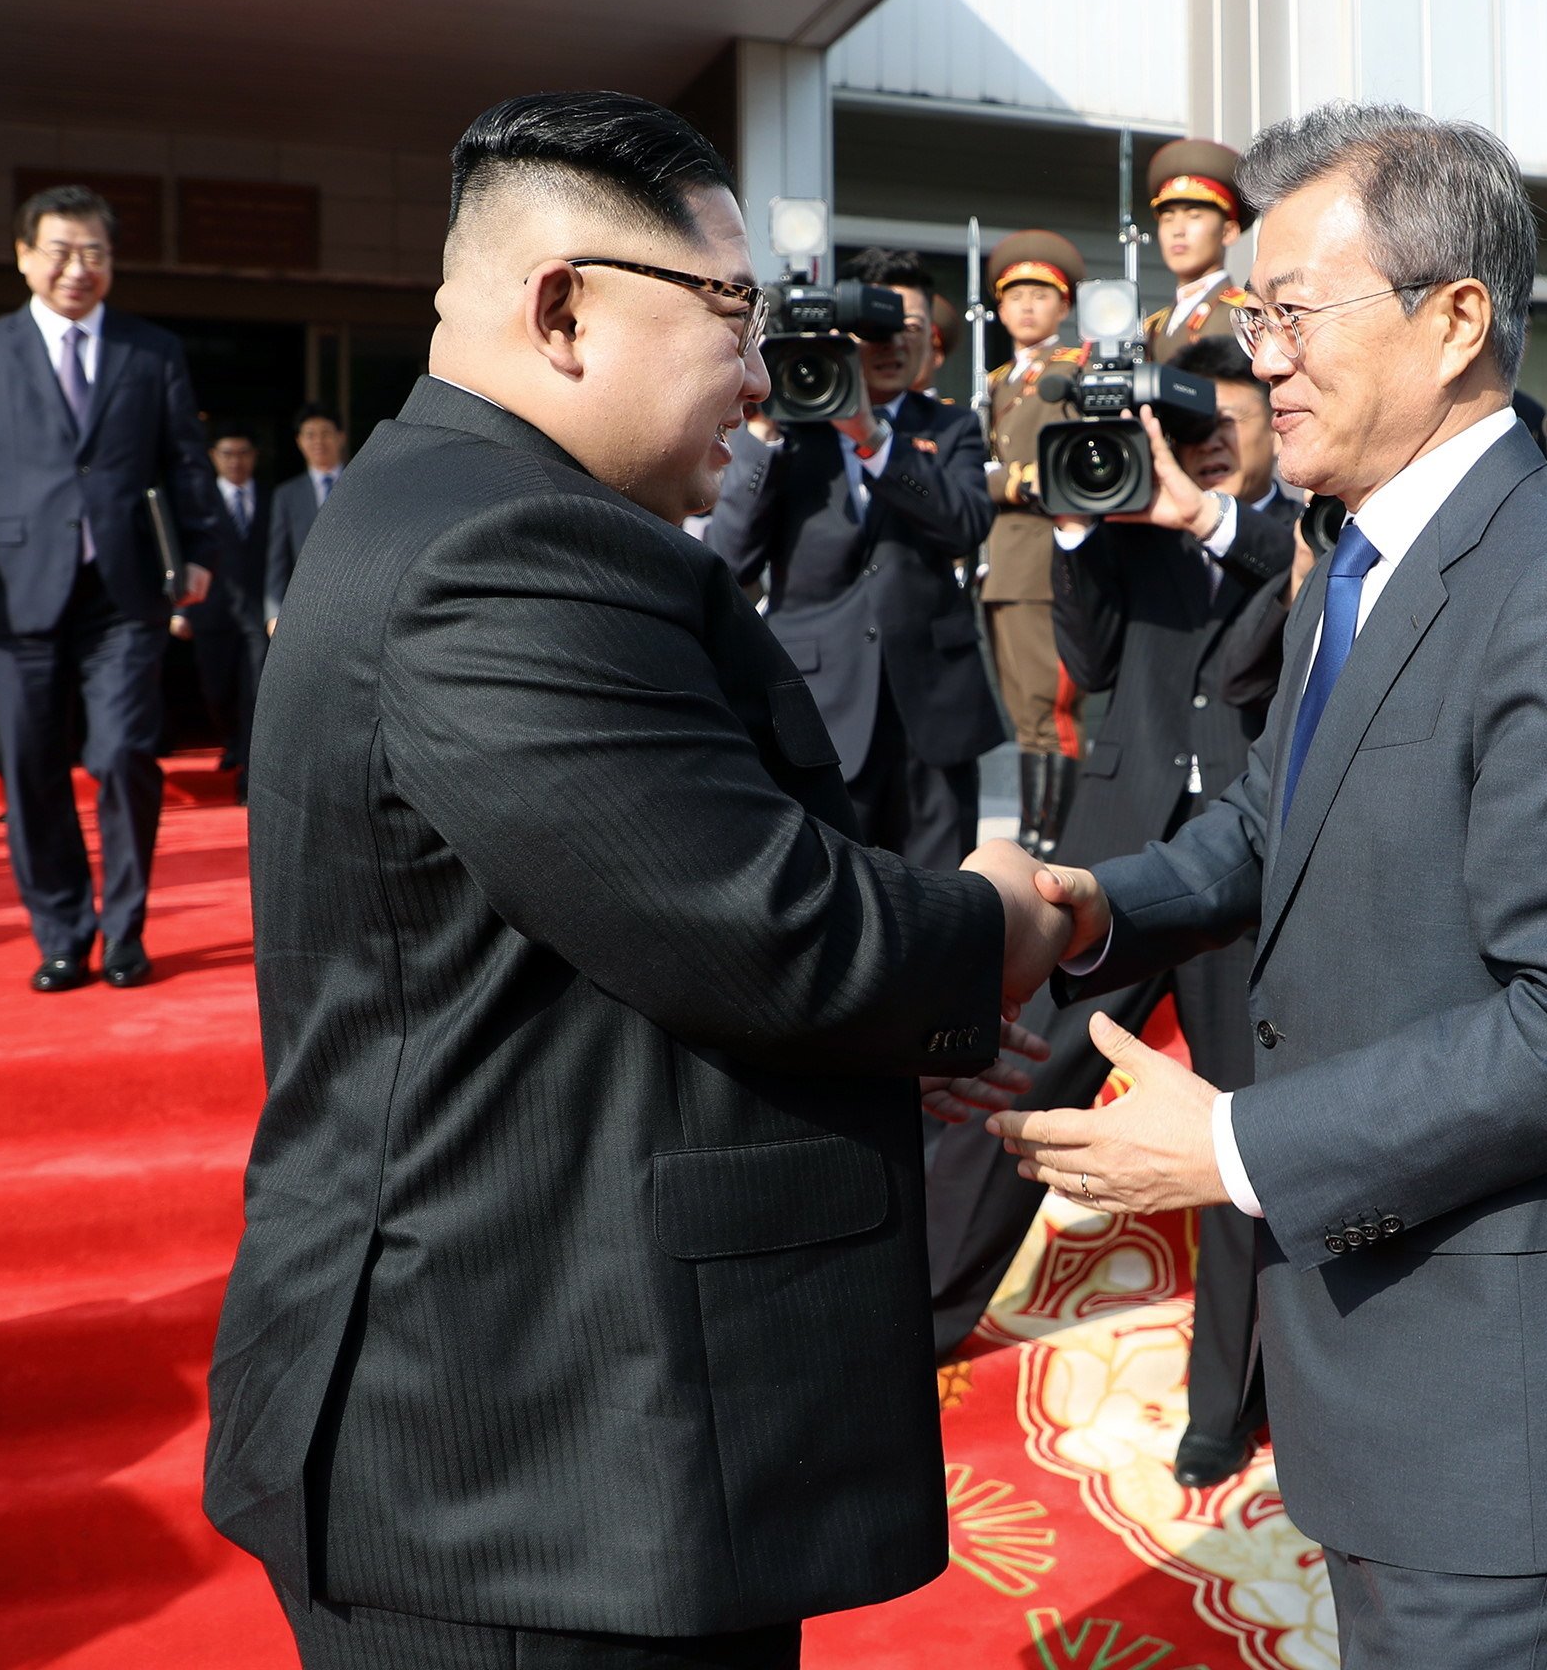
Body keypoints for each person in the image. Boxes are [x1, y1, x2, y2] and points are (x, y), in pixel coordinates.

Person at [203, 89, 1068, 1670]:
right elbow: (762, 924)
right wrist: (991, 921)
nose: (760, 373)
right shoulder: (504, 555)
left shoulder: (448, 508)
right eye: (733, 311)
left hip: (526, 1425)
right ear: (564, 308)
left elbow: (604, 942)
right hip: (526, 1474)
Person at [995, 103, 1547, 1669]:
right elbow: (1275, 819)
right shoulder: (1364, 550)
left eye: (1292, 313)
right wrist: (1094, 905)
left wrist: (1228, 1142)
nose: (1260, 357)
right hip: (1405, 1381)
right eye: (1254, 314)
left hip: (1522, 1420)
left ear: (1456, 318)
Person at [925, 337, 1298, 1481]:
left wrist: (1203, 516)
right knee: (1019, 1074)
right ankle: (919, 1314)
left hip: (1247, 858)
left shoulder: (1303, 526)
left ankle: (1220, 1401)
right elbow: (1082, 660)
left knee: (1230, 1123)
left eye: (1235, 423)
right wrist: (1086, 524)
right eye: (1196, 431)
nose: (1214, 448)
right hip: (1115, 847)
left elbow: (1274, 618)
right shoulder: (1126, 513)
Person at [0, 185, 221, 993]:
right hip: (13, 591)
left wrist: (199, 552)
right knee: (29, 765)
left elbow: (186, 461)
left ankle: (124, 932)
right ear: (23, 256)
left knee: (125, 754)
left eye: (94, 252)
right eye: (59, 250)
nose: (76, 268)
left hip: (122, 593)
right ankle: (63, 932)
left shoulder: (150, 350)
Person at [706, 246, 1002, 866]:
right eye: (873, 329)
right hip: (820, 704)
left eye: (909, 328)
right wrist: (764, 430)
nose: (891, 343)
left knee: (944, 896)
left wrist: (872, 437)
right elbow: (730, 559)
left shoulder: (950, 428)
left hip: (935, 711)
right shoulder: (787, 427)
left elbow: (966, 526)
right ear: (840, 334)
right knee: (834, 891)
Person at [980, 228, 1089, 851]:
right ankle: (1030, 828)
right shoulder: (999, 381)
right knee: (1024, 713)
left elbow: (1069, 467)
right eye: (1014, 295)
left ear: (1064, 307)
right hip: (1003, 567)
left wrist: (997, 482)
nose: (1025, 307)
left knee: (1051, 712)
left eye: (1040, 295)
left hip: (1043, 564)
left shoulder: (1071, 373)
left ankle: (1056, 836)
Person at [180, 424, 269, 784]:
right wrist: (179, 608)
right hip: (210, 610)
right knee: (216, 689)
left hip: (256, 614)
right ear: (214, 457)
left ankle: (248, 769)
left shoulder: (270, 497)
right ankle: (232, 740)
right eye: (228, 454)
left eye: (243, 453)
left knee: (254, 689)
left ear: (254, 457)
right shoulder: (198, 502)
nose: (236, 461)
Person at [1138, 139, 1256, 359]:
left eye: (1194, 215)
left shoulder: (1245, 313)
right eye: (1168, 218)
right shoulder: (1153, 328)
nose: (1178, 230)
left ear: (1228, 232)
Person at [264, 403, 346, 634]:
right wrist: (273, 612)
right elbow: (277, 557)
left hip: (352, 602)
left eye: (326, 433)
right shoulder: (286, 495)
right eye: (310, 435)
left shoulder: (361, 485)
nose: (318, 441)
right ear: (299, 441)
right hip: (304, 605)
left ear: (340, 437)